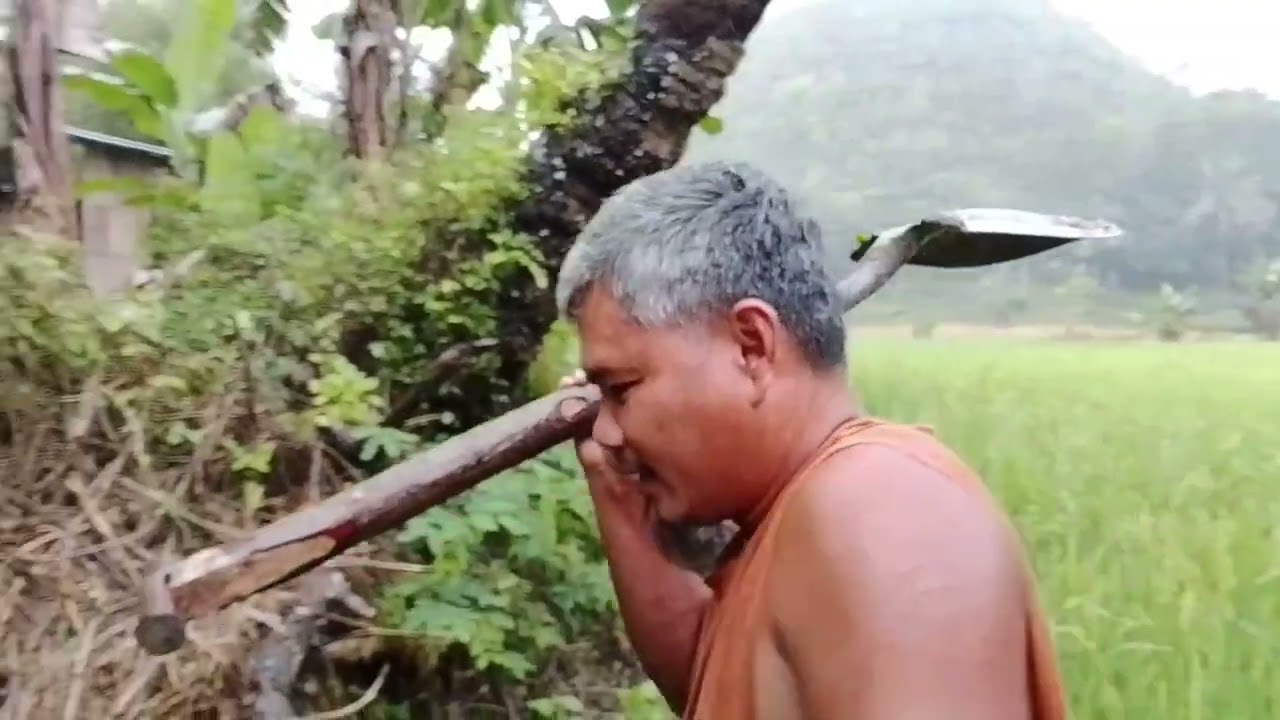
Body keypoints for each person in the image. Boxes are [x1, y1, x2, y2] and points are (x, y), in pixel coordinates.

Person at [552, 160, 1066, 720]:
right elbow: (720, 684)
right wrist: (617, 485)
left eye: (623, 388)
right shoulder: (792, 519)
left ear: (751, 346)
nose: (607, 428)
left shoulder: (880, 507)